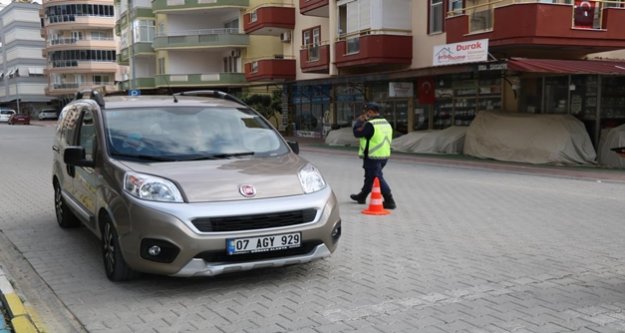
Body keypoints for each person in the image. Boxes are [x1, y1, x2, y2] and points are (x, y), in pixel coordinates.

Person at [350, 102, 396, 209]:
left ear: (370, 112)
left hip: (372, 156)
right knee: (370, 177)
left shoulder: (371, 125)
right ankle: (362, 196)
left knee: (377, 178)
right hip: (384, 155)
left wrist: (359, 121)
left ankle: (389, 200)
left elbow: (357, 133)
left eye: (366, 112)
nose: (365, 114)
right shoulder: (386, 123)